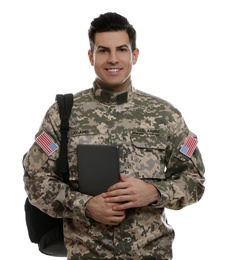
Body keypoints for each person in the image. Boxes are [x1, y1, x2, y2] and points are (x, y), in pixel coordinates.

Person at [23, 12, 205, 260]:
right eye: (103, 50)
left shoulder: (166, 116)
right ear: (91, 56)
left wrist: (154, 191)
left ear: (135, 55)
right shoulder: (62, 114)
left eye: (121, 49)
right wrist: (84, 206)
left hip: (152, 254)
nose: (113, 59)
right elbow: (35, 179)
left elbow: (195, 180)